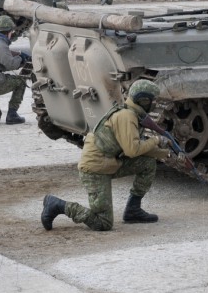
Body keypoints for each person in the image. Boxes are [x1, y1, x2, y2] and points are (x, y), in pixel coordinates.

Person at [40, 80, 172, 231]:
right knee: (103, 223)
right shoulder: (127, 116)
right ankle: (58, 205)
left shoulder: (130, 112)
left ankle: (133, 210)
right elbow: (132, 150)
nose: (154, 104)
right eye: (152, 100)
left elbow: (137, 147)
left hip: (108, 163)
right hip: (95, 170)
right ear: (143, 100)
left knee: (147, 163)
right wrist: (156, 140)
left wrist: (166, 154)